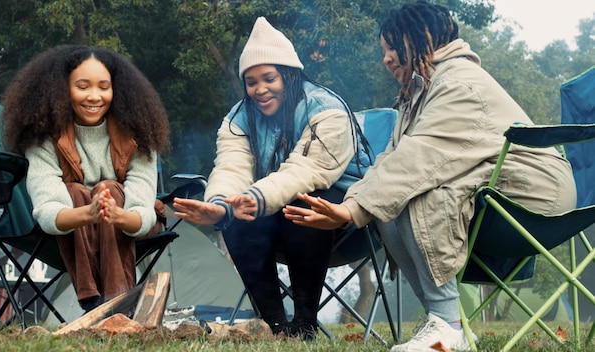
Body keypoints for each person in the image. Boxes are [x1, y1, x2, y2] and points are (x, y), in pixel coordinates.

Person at [282, 1, 577, 351]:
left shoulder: (458, 83)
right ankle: (445, 322)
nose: (386, 59)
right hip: (494, 192)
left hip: (535, 194)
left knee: (413, 191)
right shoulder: (417, 94)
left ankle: (447, 326)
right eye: (384, 51)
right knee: (384, 210)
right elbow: (390, 161)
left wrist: (350, 212)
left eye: (392, 47)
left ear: (420, 38)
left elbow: (418, 158)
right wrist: (354, 205)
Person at [172, 17, 368, 340]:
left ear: (289, 75)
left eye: (269, 78)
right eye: (251, 82)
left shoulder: (326, 109)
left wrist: (255, 198)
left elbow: (303, 172)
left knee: (301, 199)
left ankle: (304, 324)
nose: (260, 89)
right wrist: (221, 205)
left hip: (343, 218)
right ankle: (275, 326)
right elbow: (231, 169)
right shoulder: (238, 119)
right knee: (238, 215)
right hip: (275, 210)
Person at [1, 45, 170, 313]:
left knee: (108, 189)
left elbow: (143, 211)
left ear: (116, 90)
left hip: (133, 227)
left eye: (104, 87)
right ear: (61, 89)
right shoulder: (45, 138)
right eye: (82, 86)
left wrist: (115, 215)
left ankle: (108, 305)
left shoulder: (138, 135)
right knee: (75, 192)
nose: (94, 96)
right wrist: (89, 213)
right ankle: (108, 305)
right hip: (70, 231)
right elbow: (47, 210)